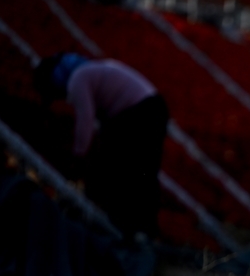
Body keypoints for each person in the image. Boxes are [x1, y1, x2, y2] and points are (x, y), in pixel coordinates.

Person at [33, 53, 168, 238]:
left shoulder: (78, 79)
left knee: (125, 171)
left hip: (138, 113)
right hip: (153, 108)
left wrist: (78, 156)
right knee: (143, 173)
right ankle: (144, 230)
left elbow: (85, 121)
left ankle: (128, 230)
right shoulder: (92, 72)